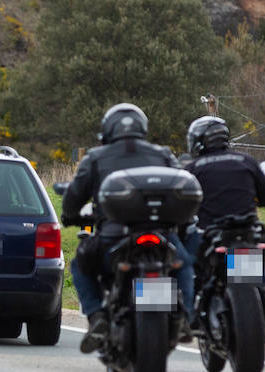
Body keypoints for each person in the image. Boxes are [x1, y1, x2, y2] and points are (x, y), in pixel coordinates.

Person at [61, 103, 198, 353]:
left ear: (108, 130)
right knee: (183, 264)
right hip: (161, 234)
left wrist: (69, 216)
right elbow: (183, 186)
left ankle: (97, 317)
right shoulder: (163, 154)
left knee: (80, 265)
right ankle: (183, 317)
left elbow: (74, 197)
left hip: (113, 237)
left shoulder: (95, 157)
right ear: (142, 128)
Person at [182, 115, 265, 287]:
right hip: (246, 232)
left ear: (197, 141)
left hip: (211, 237)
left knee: (185, 266)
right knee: (262, 249)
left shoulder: (192, 169)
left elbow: (183, 205)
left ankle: (187, 308)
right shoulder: (246, 160)